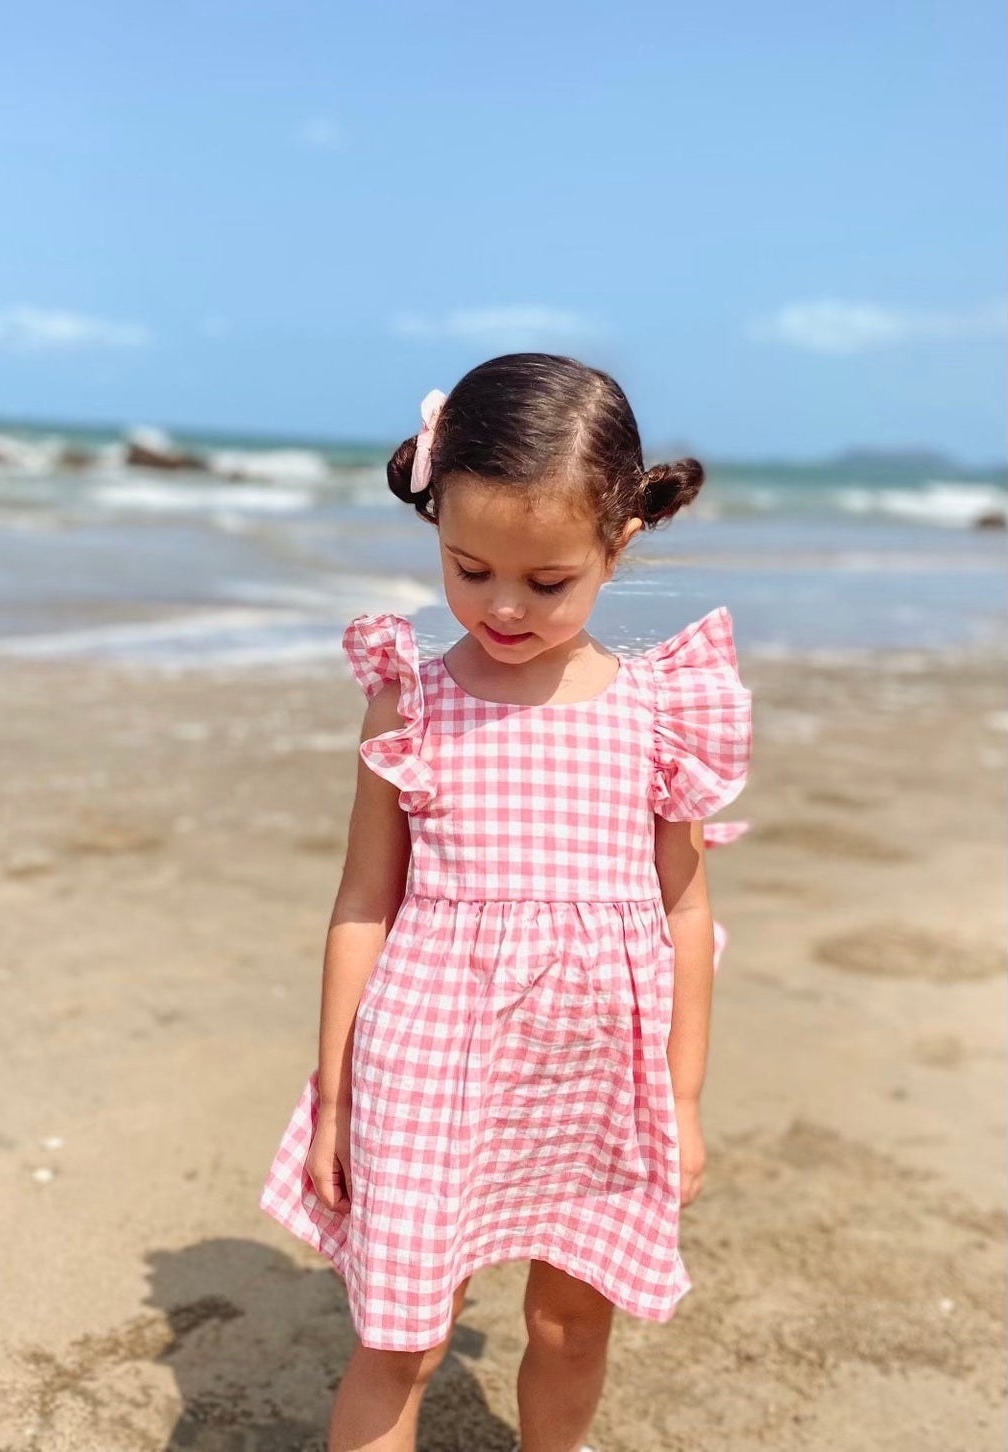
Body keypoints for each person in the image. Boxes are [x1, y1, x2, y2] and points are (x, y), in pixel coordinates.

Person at [258, 353, 753, 1452]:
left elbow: (683, 917)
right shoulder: (411, 699)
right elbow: (360, 903)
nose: (502, 607)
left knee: (572, 1322)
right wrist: (334, 1099)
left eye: (546, 582)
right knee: (404, 1337)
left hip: (592, 1075)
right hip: (429, 1056)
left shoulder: (657, 713)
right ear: (434, 524)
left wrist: (680, 1098)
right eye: (468, 568)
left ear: (616, 548)